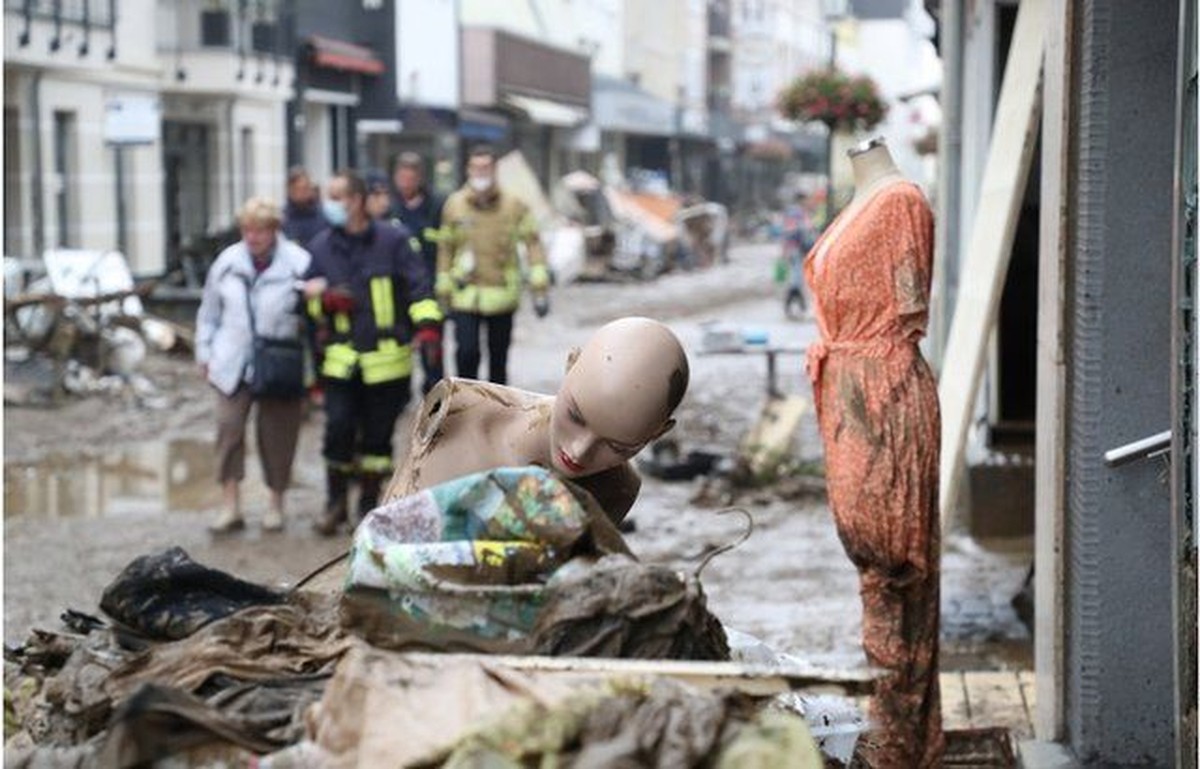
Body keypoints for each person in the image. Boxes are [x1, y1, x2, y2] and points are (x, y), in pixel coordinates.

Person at [803, 136, 943, 767]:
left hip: (883, 401)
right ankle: (897, 738)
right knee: (875, 570)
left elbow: (908, 307)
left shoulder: (901, 202)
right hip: (852, 397)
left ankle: (901, 742)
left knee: (892, 570)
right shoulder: (866, 199)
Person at [383, 317, 689, 525]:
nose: (579, 451)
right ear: (571, 363)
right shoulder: (461, 414)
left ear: (658, 434)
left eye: (618, 447)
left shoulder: (616, 489)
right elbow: (381, 541)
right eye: (576, 416)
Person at [303, 169, 444, 536]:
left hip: (388, 363)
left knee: (377, 441)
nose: (332, 204)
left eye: (339, 196)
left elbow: (419, 290)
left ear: (360, 200)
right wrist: (324, 302)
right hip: (341, 362)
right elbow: (305, 308)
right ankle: (334, 504)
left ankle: (367, 506)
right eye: (329, 196)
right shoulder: (320, 247)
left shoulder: (394, 241)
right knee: (338, 430)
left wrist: (428, 330)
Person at [195, 197, 311, 534]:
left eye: (259, 230)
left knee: (277, 434)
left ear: (274, 230)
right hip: (232, 361)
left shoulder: (298, 263)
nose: (252, 237)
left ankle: (276, 504)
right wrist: (204, 352)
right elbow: (209, 312)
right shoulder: (227, 263)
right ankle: (230, 505)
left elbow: (311, 319)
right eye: (246, 230)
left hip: (279, 361)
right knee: (228, 430)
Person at [437, 144, 549, 385]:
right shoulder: (454, 205)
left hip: (501, 294)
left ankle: (497, 412)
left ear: (495, 169)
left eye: (486, 168)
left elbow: (532, 243)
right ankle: (466, 407)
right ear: (468, 169)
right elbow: (446, 247)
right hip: (465, 295)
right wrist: (443, 288)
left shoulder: (513, 205)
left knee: (498, 359)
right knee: (466, 354)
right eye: (476, 168)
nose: (481, 173)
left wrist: (539, 286)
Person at [389, 152, 446, 395]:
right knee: (399, 343)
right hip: (398, 290)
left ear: (420, 178)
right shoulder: (390, 207)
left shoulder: (437, 205)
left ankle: (433, 388)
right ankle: (401, 392)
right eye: (402, 177)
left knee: (431, 342)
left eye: (410, 178)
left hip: (428, 287)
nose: (406, 183)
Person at [779, 192, 815, 319]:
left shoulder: (793, 212)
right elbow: (798, 232)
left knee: (797, 277)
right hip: (795, 249)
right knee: (796, 277)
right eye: (807, 200)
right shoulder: (797, 213)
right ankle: (797, 305)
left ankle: (797, 306)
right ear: (802, 200)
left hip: (792, 248)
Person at [281, 167, 328, 249]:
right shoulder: (282, 218)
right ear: (289, 190)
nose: (301, 193)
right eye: (297, 189)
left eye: (305, 188)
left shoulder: (324, 215)